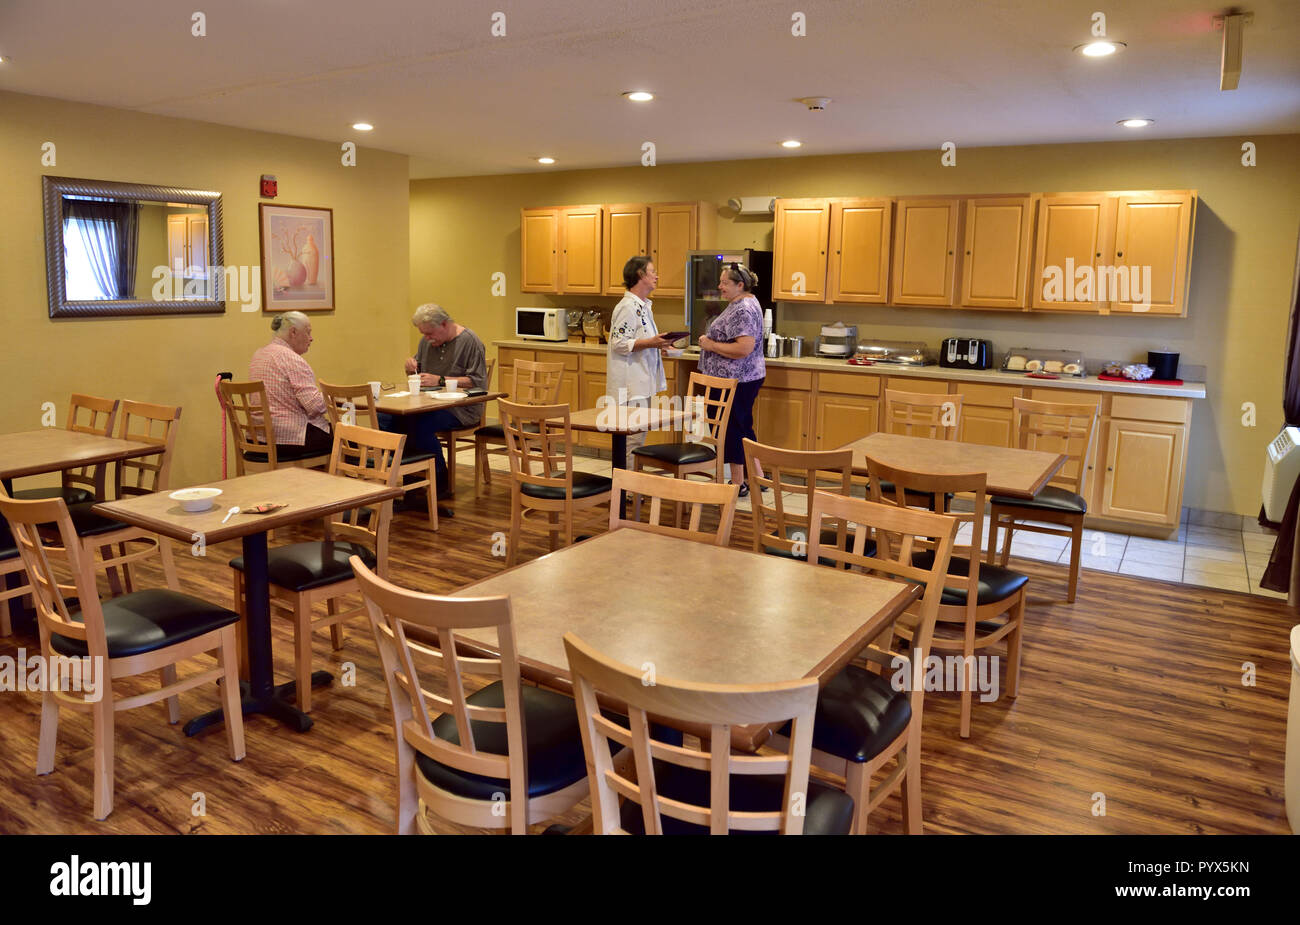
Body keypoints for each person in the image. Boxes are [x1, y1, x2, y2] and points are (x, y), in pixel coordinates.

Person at [381, 303, 487, 496]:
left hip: (462, 408)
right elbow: (418, 373)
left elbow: (477, 382)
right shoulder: (426, 342)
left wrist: (440, 379)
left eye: (430, 334)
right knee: (389, 419)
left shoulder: (470, 341)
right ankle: (411, 479)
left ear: (445, 324)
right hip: (427, 404)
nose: (427, 339)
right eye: (424, 334)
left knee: (420, 424)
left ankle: (438, 482)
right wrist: (409, 367)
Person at [698, 262, 766, 496]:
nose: (720, 286)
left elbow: (743, 348)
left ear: (740, 285)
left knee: (731, 430)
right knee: (743, 426)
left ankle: (739, 483)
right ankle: (759, 477)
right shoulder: (745, 302)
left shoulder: (742, 309)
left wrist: (710, 344)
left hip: (735, 379)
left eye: (725, 282)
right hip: (744, 377)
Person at [607, 256, 675, 467]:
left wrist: (659, 345)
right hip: (629, 385)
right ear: (640, 275)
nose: (656, 276)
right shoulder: (627, 307)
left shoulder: (643, 307)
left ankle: (629, 486)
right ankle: (625, 490)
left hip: (642, 383)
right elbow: (619, 343)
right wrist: (651, 342)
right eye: (652, 271)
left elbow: (640, 341)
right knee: (631, 439)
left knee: (637, 437)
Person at [249, 311, 332, 456]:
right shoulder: (291, 359)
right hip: (289, 439)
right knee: (349, 436)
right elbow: (314, 406)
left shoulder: (259, 355)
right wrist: (335, 398)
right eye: (308, 332)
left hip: (257, 437)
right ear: (293, 332)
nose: (311, 338)